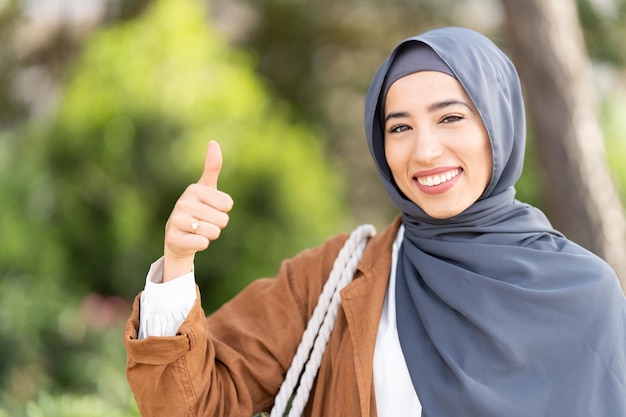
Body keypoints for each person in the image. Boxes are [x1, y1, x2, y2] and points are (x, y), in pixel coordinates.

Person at [124, 26, 626, 416]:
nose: (425, 150)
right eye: (400, 127)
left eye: (451, 117)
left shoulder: (585, 296)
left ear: (498, 123)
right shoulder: (333, 278)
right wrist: (178, 263)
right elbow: (193, 406)